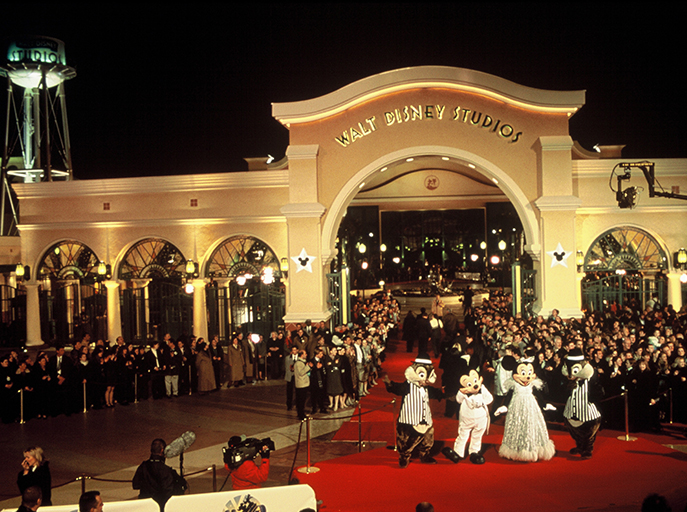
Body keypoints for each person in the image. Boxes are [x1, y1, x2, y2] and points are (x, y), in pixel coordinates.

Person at [133, 438, 186, 512]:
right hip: (160, 507)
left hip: (145, 505)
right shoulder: (166, 470)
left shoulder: (143, 466)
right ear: (162, 450)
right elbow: (168, 491)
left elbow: (135, 485)